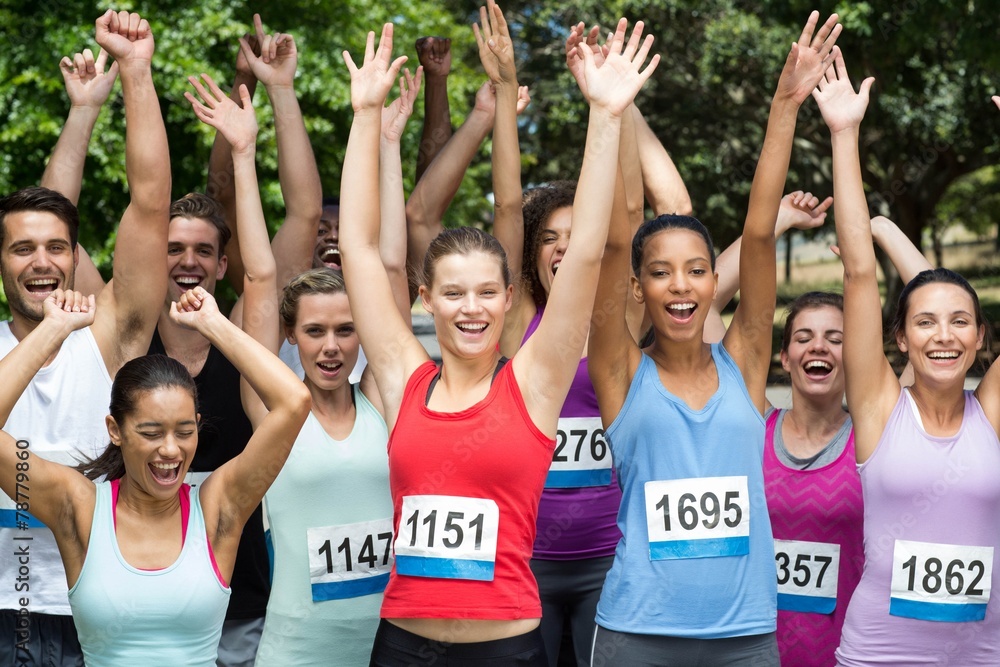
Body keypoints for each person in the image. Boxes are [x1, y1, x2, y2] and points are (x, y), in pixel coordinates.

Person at [338, 10, 658, 664]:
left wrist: (605, 116)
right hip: (403, 647)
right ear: (427, 299)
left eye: (487, 292)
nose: (472, 308)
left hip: (506, 649)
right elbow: (358, 250)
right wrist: (365, 117)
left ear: (509, 298)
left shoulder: (534, 383)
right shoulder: (404, 380)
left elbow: (588, 252)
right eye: (454, 293)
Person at [587, 12, 841, 665]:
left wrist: (785, 107)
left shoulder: (745, 361)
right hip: (637, 632)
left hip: (744, 636)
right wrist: (607, 116)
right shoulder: (619, 370)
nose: (681, 285)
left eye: (697, 270)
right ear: (638, 287)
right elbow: (611, 242)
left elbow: (757, 232)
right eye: (661, 272)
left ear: (712, 281)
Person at [0, 285, 309, 666]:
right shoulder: (78, 508)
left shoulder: (219, 509)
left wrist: (213, 324)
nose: (171, 450)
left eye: (185, 431)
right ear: (115, 430)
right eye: (151, 433)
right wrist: (52, 329)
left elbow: (294, 402)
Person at [815, 49, 1000, 666]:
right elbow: (859, 271)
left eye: (959, 322)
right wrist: (844, 134)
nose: (943, 336)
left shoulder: (991, 414)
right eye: (925, 322)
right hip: (879, 652)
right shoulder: (879, 407)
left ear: (980, 338)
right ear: (901, 339)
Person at [0, 10, 170, 664]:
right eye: (22, 249)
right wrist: (50, 331)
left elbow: (150, 203)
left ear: (76, 258)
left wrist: (136, 72)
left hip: (99, 611)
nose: (41, 261)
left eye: (56, 248)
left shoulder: (110, 335)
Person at [243, 68, 420, 667]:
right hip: (296, 652)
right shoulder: (274, 409)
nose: (331, 347)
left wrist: (388, 143)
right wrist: (243, 156)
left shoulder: (382, 400)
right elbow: (260, 274)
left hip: (392, 645)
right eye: (314, 331)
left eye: (346, 330)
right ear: (290, 336)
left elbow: (390, 266)